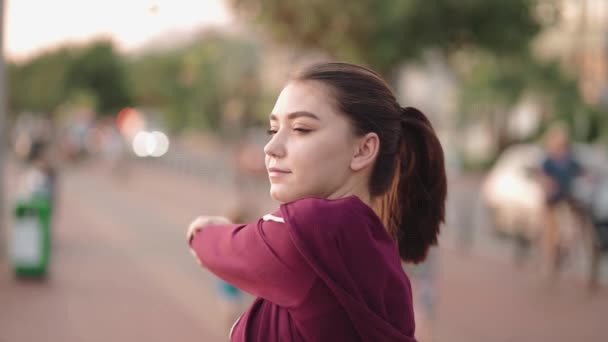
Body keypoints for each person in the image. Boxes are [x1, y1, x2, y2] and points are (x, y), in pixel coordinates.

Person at [187, 62, 447, 341]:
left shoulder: (312, 228)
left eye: (301, 128)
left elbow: (218, 246)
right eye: (273, 130)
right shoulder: (382, 258)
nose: (271, 148)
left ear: (363, 149)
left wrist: (204, 231)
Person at [539, 122, 585, 278]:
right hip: (552, 200)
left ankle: (563, 251)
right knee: (549, 233)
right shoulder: (549, 160)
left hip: (567, 199)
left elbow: (580, 171)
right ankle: (549, 261)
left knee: (571, 228)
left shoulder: (570, 158)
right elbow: (543, 176)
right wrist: (548, 185)